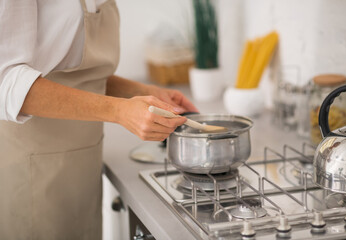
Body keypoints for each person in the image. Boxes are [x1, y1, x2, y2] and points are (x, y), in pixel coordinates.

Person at [0, 1, 198, 239]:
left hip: (81, 163)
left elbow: (75, 73)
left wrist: (137, 93)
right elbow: (6, 80)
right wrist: (119, 111)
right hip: (31, 167)